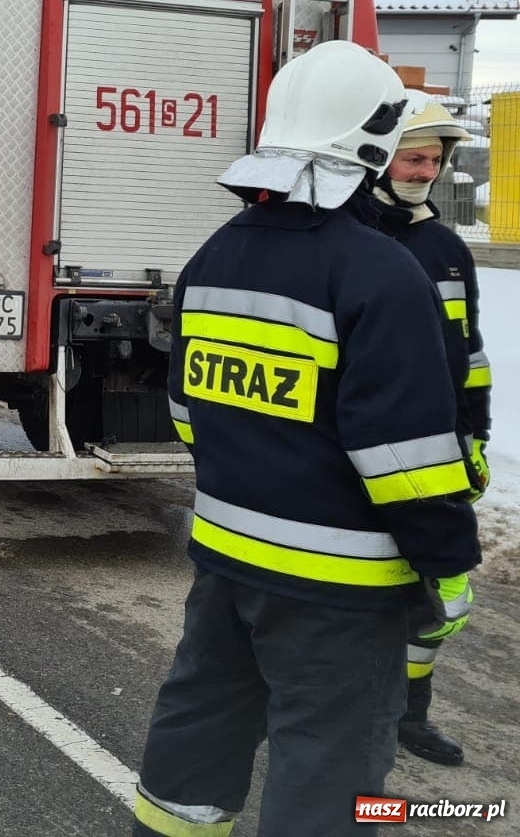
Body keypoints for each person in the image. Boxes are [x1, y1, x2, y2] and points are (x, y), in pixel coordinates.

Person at [133, 41, 481, 837]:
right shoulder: (382, 273)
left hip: (225, 559)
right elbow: (409, 461)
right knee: (330, 763)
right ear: (374, 141)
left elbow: (189, 411)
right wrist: (449, 564)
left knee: (200, 721)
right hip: (341, 588)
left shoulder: (216, 254)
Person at [373, 93, 491, 766]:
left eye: (434, 161)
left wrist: (475, 436)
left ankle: (408, 712)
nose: (423, 171)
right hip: (371, 455)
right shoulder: (350, 241)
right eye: (412, 157)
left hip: (439, 450)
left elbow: (468, 352)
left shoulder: (447, 248)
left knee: (443, 601)